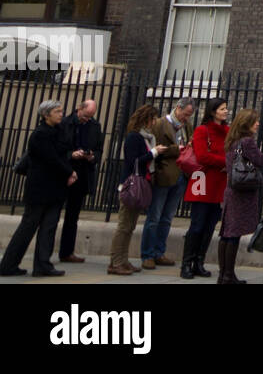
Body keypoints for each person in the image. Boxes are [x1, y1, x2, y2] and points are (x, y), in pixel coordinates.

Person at [0, 101, 77, 277]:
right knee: (28, 227)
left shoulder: (59, 132)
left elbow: (64, 154)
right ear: (46, 114)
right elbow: (50, 158)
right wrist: (69, 171)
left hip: (56, 187)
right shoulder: (40, 134)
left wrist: (68, 170)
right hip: (40, 187)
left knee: (49, 228)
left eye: (61, 111)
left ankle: (43, 264)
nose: (61, 114)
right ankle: (8, 264)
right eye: (57, 111)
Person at [141, 97, 194, 268]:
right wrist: (175, 150)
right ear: (178, 108)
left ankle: (159, 252)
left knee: (167, 218)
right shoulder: (161, 124)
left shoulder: (187, 126)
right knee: (154, 217)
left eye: (189, 115)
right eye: (185, 114)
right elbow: (155, 149)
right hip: (163, 175)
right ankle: (147, 254)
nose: (186, 118)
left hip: (180, 176)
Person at [180, 97, 229, 279]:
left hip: (220, 183)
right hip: (202, 181)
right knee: (197, 225)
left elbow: (231, 153)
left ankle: (199, 262)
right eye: (222, 109)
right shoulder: (202, 130)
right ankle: (187, 263)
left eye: (226, 108)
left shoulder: (228, 131)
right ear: (213, 111)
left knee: (209, 226)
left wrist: (226, 162)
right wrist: (224, 162)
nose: (226, 112)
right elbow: (202, 157)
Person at [108, 105, 158, 275]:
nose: (154, 122)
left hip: (139, 185)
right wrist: (153, 153)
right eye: (153, 118)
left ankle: (123, 259)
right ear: (145, 119)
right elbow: (133, 161)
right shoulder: (134, 137)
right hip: (130, 186)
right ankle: (115, 262)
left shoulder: (144, 137)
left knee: (130, 226)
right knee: (123, 226)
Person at [219, 108, 263, 285]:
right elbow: (261, 160)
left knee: (226, 233)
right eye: (255, 121)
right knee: (233, 234)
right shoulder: (247, 142)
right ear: (246, 123)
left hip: (231, 190)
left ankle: (224, 274)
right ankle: (228, 276)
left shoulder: (232, 140)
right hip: (241, 193)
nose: (257, 124)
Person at [57, 98, 103, 264]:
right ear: (79, 109)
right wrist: (71, 154)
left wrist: (92, 156)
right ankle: (45, 251)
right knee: (53, 214)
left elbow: (99, 149)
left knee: (73, 216)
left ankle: (67, 252)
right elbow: (57, 149)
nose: (87, 119)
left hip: (82, 173)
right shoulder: (64, 123)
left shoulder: (95, 126)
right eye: (85, 116)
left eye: (90, 116)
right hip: (64, 172)